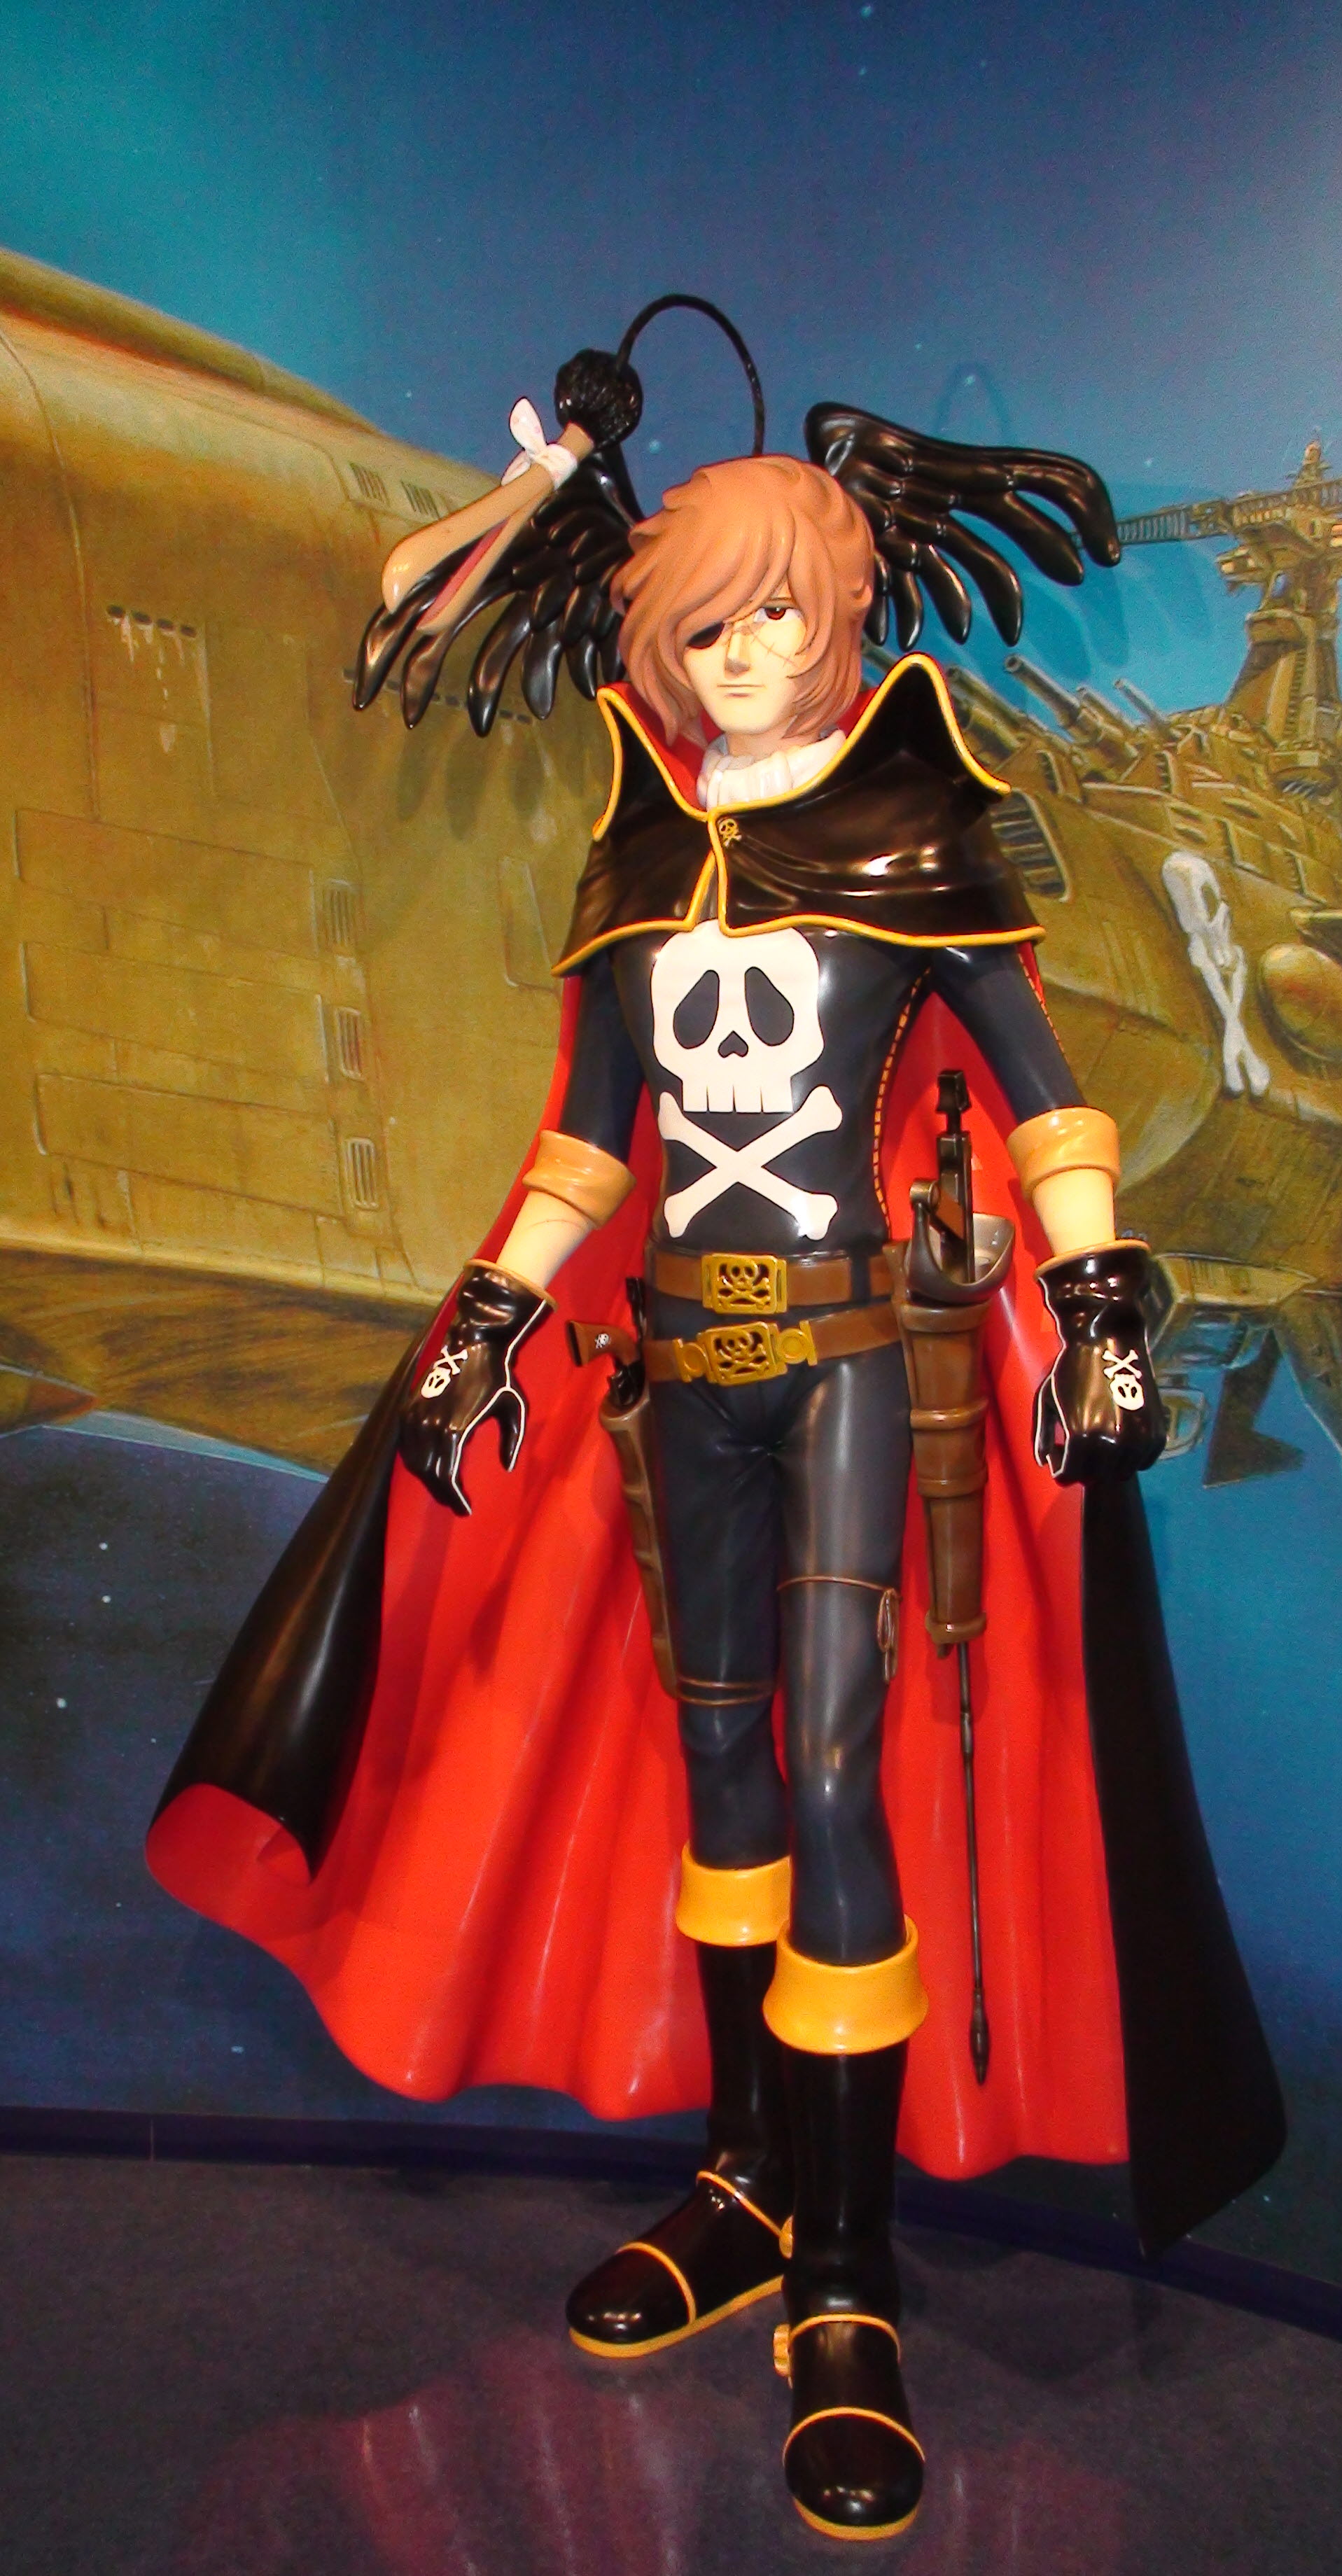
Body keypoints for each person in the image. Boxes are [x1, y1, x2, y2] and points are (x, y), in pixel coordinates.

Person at [150, 418, 1282, 2548]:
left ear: (838, 617)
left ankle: (849, 2271)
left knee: (840, 1775)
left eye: (775, 613)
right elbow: (593, 1139)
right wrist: (487, 1325)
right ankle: (751, 2183)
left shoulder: (919, 829)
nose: (743, 653)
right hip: (681, 1366)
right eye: (706, 625)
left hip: (851, 1358)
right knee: (726, 1770)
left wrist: (1099, 1300)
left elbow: (1048, 1101)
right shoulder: (638, 852)